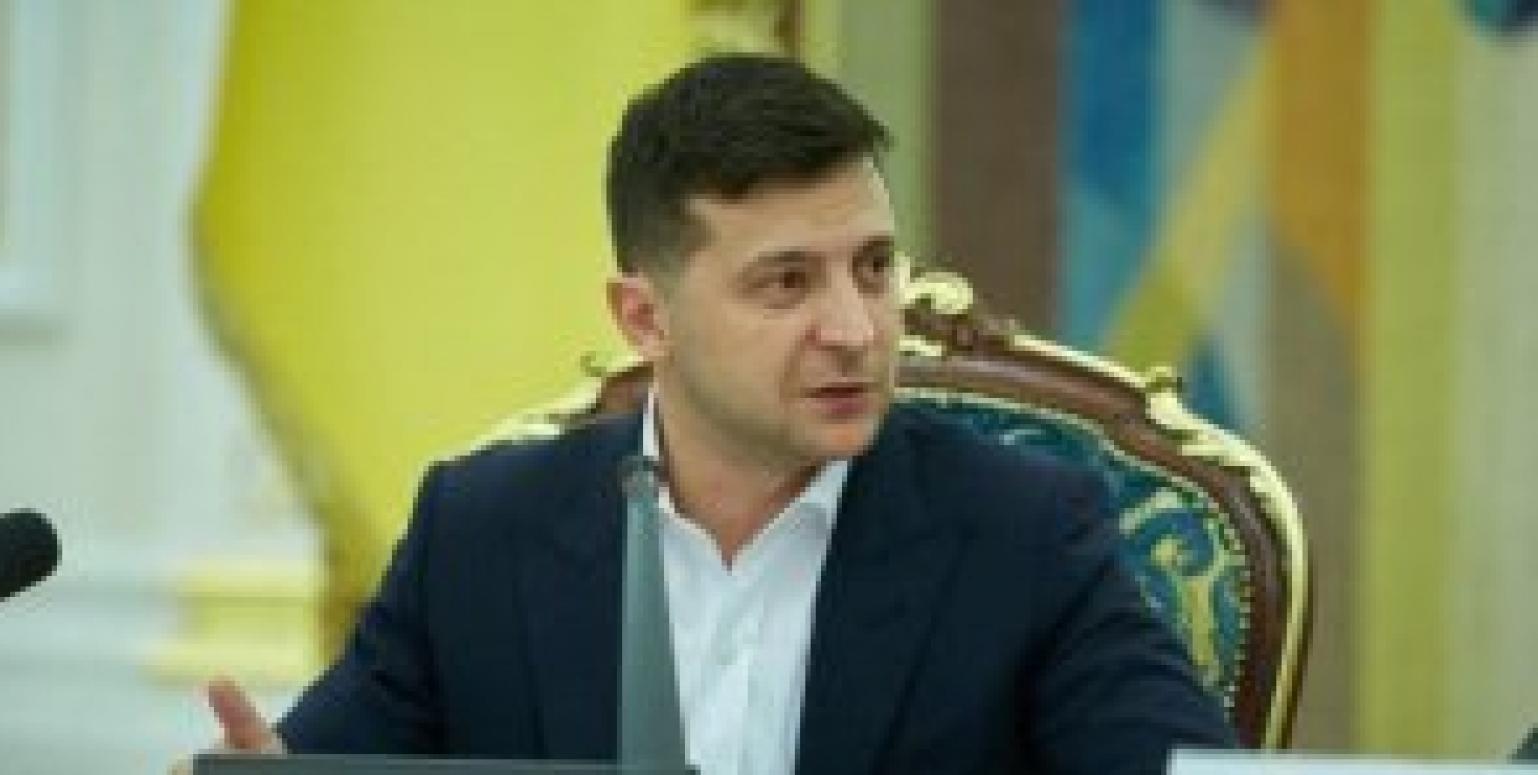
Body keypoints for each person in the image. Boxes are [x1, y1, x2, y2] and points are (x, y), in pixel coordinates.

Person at [179, 53, 1236, 775]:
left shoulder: (1023, 534)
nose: (856, 328)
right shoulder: (483, 531)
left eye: (873, 267)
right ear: (646, 317)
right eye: (786, 284)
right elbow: (336, 757)